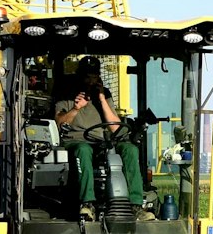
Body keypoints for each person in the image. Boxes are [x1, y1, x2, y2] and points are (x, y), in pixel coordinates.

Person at [54, 84, 151, 219]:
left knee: (130, 149)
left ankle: (136, 205)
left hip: (102, 141)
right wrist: (76, 108)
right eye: (87, 77)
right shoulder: (67, 94)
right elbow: (59, 123)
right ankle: (87, 204)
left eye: (94, 77)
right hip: (76, 141)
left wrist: (102, 100)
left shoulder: (104, 95)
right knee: (83, 150)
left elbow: (115, 128)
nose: (91, 81)